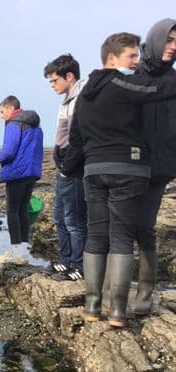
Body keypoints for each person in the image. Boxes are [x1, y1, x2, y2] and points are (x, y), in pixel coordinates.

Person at [68, 32, 176, 327]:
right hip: (127, 169)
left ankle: (92, 305)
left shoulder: (86, 90)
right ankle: (117, 310)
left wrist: (74, 163)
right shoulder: (121, 83)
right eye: (132, 56)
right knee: (121, 238)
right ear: (113, 59)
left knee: (96, 235)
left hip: (94, 170)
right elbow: (157, 90)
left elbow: (74, 136)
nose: (136, 62)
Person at [133, 19, 176, 316]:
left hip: (160, 169)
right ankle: (115, 289)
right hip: (129, 166)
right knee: (118, 227)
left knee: (144, 226)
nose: (173, 47)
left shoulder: (174, 82)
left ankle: (146, 291)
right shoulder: (132, 79)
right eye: (170, 40)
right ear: (157, 39)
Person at [43, 54, 88, 281]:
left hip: (75, 170)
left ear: (69, 76)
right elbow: (62, 137)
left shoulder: (82, 99)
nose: (52, 85)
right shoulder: (66, 101)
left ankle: (79, 267)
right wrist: (58, 160)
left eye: (54, 80)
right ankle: (65, 260)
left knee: (75, 221)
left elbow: (79, 139)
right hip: (65, 168)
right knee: (60, 217)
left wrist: (67, 167)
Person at [0, 96, 44, 265]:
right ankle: (23, 251)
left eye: (2, 112)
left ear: (10, 109)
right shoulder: (35, 126)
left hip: (17, 172)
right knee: (22, 210)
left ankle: (16, 252)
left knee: (12, 211)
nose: (1, 116)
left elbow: (8, 153)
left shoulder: (14, 124)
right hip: (32, 172)